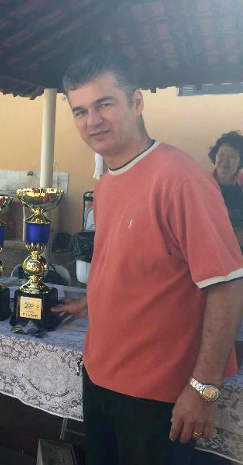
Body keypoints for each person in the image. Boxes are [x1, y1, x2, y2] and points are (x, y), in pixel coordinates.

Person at [54, 50, 243, 465]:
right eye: (80, 111)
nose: (92, 121)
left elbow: (227, 285)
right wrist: (93, 300)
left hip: (156, 395)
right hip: (99, 376)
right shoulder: (106, 182)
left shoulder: (180, 180)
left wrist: (203, 388)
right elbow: (137, 263)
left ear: (136, 102)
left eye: (105, 104)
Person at [208, 131, 243, 250]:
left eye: (231, 156)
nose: (225, 160)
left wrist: (230, 245)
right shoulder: (201, 182)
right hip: (207, 244)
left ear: (240, 161)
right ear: (215, 156)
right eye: (221, 154)